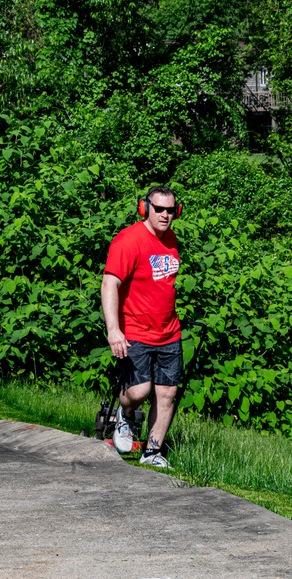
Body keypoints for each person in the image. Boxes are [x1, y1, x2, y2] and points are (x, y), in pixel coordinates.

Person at [101, 186, 184, 468]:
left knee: (167, 393)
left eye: (169, 210)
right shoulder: (128, 241)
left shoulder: (171, 240)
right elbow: (109, 284)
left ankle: (152, 452)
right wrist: (114, 330)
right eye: (158, 209)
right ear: (144, 207)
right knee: (138, 392)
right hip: (134, 329)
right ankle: (125, 416)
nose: (164, 215)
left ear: (177, 211)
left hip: (169, 331)